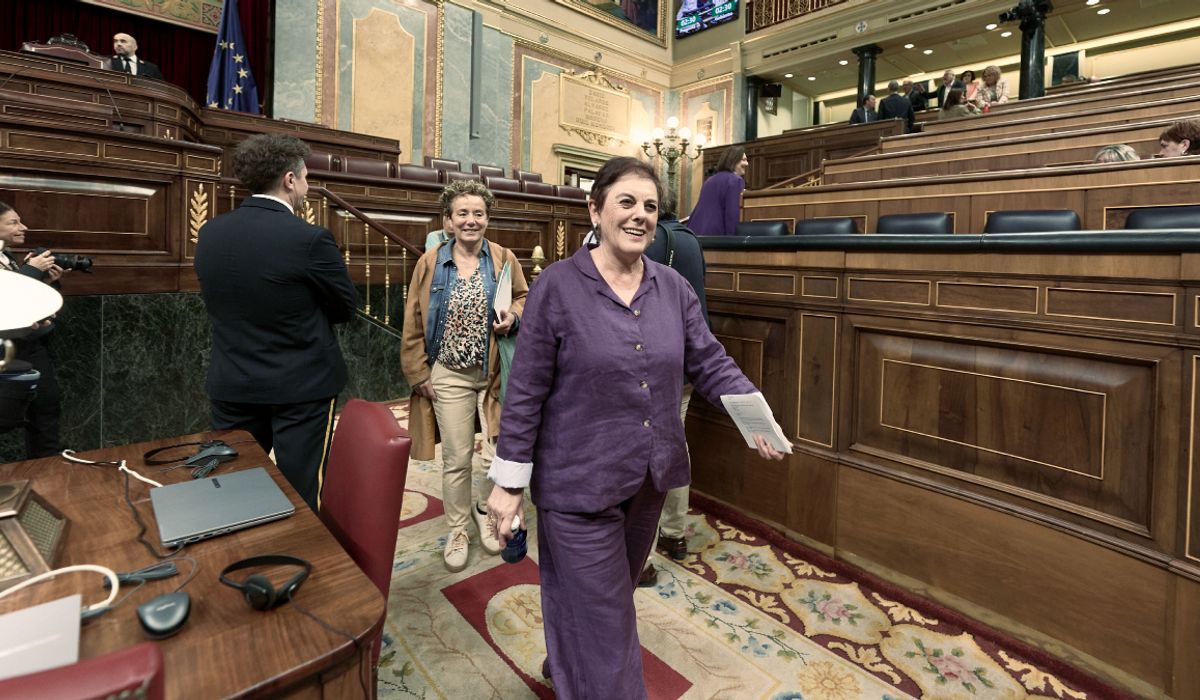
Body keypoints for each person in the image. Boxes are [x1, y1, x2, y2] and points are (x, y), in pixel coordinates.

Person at [485, 156, 787, 698]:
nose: (640, 215)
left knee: (606, 595)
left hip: (648, 479)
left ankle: (568, 660)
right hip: (577, 483)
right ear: (594, 209)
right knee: (607, 620)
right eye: (626, 202)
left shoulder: (673, 287)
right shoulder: (556, 287)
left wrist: (754, 415)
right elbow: (525, 389)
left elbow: (709, 360)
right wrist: (508, 484)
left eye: (650, 206)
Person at [194, 134, 358, 512]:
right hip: (303, 388)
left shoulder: (210, 233)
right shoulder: (309, 239)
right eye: (306, 178)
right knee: (301, 493)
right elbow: (345, 308)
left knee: (232, 489)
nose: (307, 187)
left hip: (233, 381)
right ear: (289, 179)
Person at [402, 180, 528, 572]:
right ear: (449, 220)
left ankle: (489, 513)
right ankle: (457, 529)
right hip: (449, 373)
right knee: (457, 458)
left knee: (499, 454)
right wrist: (417, 371)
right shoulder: (431, 262)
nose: (471, 220)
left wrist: (514, 316)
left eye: (478, 213)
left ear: (487, 218)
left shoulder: (504, 257)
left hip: (494, 373)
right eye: (462, 213)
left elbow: (524, 297)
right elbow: (413, 319)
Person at [636, 189, 708, 587]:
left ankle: (642, 556)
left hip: (656, 364)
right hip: (686, 362)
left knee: (650, 453)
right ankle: (675, 533)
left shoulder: (652, 241)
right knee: (676, 445)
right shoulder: (690, 238)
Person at [0, 202, 65, 458]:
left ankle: (48, 469)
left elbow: (21, 300)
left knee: (46, 407)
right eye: (13, 222)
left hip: (31, 345)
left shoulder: (8, 257)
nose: (23, 227)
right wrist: (31, 270)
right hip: (6, 351)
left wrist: (46, 281)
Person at [686, 146, 747, 236]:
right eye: (743, 160)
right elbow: (732, 214)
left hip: (695, 231)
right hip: (716, 234)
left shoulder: (710, 180)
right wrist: (734, 239)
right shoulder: (735, 180)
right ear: (733, 160)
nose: (747, 163)